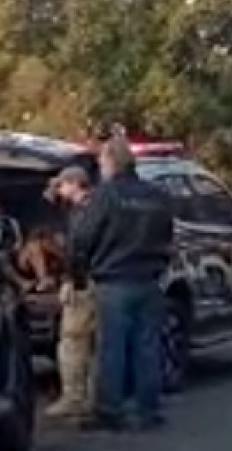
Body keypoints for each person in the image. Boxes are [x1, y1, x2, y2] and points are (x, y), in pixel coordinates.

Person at [72, 139, 176, 431]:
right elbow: (168, 236)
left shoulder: (106, 195)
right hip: (150, 279)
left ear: (110, 163)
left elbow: (83, 236)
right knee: (148, 347)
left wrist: (79, 271)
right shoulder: (157, 196)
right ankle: (147, 410)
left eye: (102, 163)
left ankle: (109, 411)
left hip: (114, 281)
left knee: (112, 349)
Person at [44, 166, 97, 418]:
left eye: (63, 184)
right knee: (95, 345)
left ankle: (74, 398)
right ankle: (93, 398)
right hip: (101, 280)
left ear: (75, 183)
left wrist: (70, 282)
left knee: (73, 341)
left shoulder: (83, 213)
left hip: (83, 284)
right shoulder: (96, 207)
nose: (59, 190)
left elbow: (78, 250)